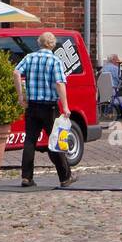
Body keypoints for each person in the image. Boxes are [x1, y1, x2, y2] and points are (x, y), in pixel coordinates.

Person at [14, 31, 74, 187]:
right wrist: (65, 106)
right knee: (55, 140)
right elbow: (60, 83)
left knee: (30, 140)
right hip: (49, 106)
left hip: (32, 105)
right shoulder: (55, 60)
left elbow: (16, 72)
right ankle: (64, 177)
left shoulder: (29, 57)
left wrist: (21, 96)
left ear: (39, 43)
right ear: (53, 44)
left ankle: (27, 177)